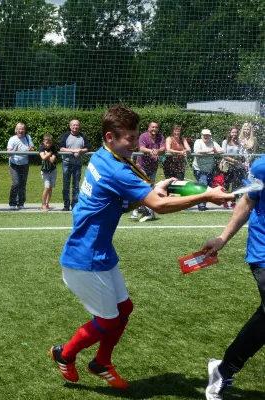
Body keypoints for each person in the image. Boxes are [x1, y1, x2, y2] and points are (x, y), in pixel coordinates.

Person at [49, 106, 233, 390]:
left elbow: (123, 200)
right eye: (131, 138)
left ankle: (101, 363)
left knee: (125, 309)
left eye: (137, 137)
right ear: (110, 136)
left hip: (100, 253)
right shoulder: (116, 168)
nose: (136, 143)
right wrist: (206, 194)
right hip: (84, 258)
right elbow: (157, 205)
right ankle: (65, 354)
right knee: (108, 322)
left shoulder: (103, 156)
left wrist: (151, 190)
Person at [202, 156, 265, 400]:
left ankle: (223, 368)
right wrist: (222, 238)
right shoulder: (262, 166)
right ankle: (224, 368)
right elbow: (247, 201)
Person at [132, 121, 165, 221]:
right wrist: (151, 151)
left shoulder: (160, 137)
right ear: (148, 128)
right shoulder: (143, 136)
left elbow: (163, 148)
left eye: (156, 127)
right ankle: (140, 209)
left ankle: (142, 209)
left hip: (153, 167)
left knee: (150, 188)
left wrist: (157, 151)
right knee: (144, 187)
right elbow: (141, 148)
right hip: (141, 166)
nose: (154, 129)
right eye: (152, 127)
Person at [59, 120, 90, 211]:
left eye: (77, 125)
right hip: (66, 163)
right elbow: (61, 148)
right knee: (66, 185)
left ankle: (75, 205)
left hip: (78, 164)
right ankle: (66, 205)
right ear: (70, 126)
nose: (75, 127)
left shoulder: (83, 136)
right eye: (74, 125)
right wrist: (73, 151)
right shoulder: (66, 136)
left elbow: (88, 148)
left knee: (76, 186)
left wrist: (80, 151)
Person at [193, 129, 224, 211]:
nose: (206, 136)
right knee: (203, 184)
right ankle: (201, 205)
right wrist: (209, 151)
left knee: (208, 187)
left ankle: (203, 204)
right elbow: (197, 151)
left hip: (210, 169)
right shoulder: (198, 142)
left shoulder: (213, 142)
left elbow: (222, 150)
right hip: (199, 168)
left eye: (208, 135)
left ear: (210, 136)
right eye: (204, 135)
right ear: (201, 135)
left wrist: (217, 151)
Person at [7, 123, 34, 210]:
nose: (21, 131)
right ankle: (12, 202)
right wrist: (14, 150)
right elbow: (8, 154)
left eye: (22, 129)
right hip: (14, 164)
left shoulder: (28, 137)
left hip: (25, 164)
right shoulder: (12, 139)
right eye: (19, 129)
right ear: (16, 130)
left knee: (22, 184)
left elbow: (32, 148)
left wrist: (30, 149)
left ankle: (21, 203)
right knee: (16, 183)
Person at [221, 126, 245, 209]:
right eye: (233, 132)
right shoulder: (225, 142)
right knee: (227, 184)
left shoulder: (239, 143)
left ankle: (233, 201)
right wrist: (233, 160)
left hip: (237, 166)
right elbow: (224, 155)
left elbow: (241, 154)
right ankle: (225, 201)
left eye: (235, 132)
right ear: (229, 133)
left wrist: (238, 159)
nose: (234, 134)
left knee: (236, 185)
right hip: (227, 165)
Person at [39, 134, 58, 211]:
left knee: (50, 188)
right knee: (46, 187)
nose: (48, 145)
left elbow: (52, 160)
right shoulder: (41, 148)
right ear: (44, 142)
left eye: (49, 143)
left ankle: (47, 203)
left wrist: (46, 155)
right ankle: (43, 203)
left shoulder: (54, 148)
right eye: (46, 143)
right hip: (45, 171)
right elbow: (43, 158)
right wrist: (49, 154)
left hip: (53, 170)